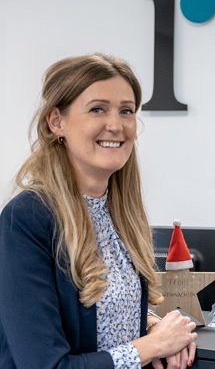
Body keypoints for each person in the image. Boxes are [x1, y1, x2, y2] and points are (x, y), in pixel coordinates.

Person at [0, 53, 197, 368]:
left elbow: (100, 318)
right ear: (56, 122)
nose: (116, 125)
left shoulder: (120, 213)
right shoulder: (27, 218)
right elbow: (45, 365)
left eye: (126, 111)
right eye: (97, 109)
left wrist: (152, 324)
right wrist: (152, 346)